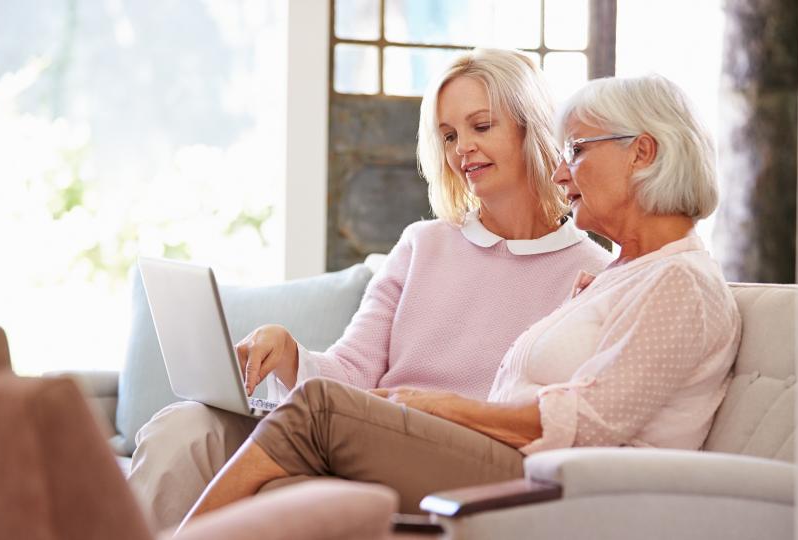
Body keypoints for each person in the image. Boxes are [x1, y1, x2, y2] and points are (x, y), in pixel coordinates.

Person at [177, 74, 743, 528]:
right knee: (284, 484)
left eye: (577, 150)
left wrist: (440, 406)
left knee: (321, 409)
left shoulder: (681, 282)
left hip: (562, 489)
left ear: (641, 152)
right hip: (521, 464)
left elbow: (590, 423)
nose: (563, 170)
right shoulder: (627, 274)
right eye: (448, 135)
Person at [127, 48, 612, 530]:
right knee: (183, 427)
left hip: (447, 460)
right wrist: (290, 355)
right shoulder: (423, 244)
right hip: (352, 432)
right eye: (448, 135)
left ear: (532, 127)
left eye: (480, 126)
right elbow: (353, 370)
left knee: (287, 484)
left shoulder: (593, 274)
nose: (461, 147)